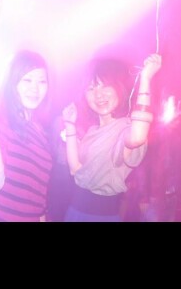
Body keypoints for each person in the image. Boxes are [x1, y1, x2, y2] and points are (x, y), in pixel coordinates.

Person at [62, 53, 162, 222]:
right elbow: (75, 169)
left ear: (118, 89)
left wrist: (145, 79)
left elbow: (137, 137)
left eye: (105, 86)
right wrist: (69, 124)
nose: (98, 95)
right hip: (74, 212)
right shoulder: (92, 130)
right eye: (91, 88)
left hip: (101, 216)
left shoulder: (123, 128)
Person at [0, 49, 54, 222]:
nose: (35, 88)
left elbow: (39, 201)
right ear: (12, 82)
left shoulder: (41, 135)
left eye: (42, 81)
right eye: (27, 80)